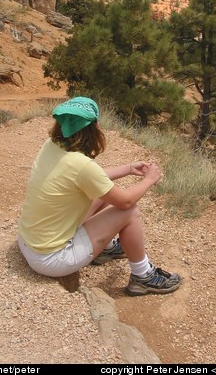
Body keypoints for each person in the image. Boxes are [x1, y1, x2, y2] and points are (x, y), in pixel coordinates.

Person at [17, 96, 181, 296]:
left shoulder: (51, 146)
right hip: (50, 259)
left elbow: (87, 179)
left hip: (28, 242)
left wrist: (129, 168)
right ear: (93, 129)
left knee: (103, 194)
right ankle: (143, 276)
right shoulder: (81, 165)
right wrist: (149, 179)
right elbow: (125, 201)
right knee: (129, 211)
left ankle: (105, 248)